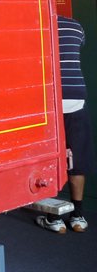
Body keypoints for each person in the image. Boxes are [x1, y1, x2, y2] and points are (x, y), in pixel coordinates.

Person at [37, 14, 96, 233]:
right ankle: (78, 216)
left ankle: (54, 217)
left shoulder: (40, 24)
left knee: (49, 157)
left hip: (50, 97)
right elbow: (79, 45)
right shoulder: (76, 26)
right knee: (77, 156)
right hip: (76, 95)